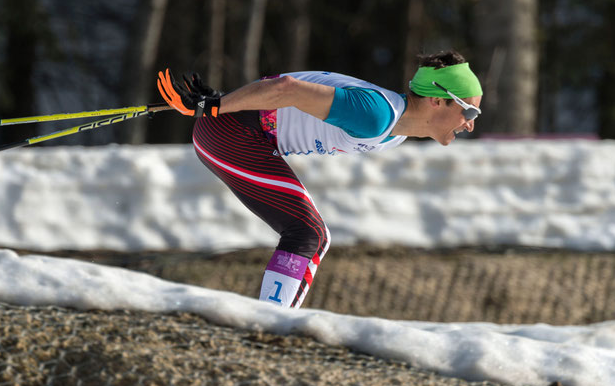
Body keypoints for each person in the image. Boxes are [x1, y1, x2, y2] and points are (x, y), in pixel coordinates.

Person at [156, 49, 483, 309]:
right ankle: (271, 326)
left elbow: (289, 91)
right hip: (232, 134)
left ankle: (270, 321)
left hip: (236, 131)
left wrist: (221, 103)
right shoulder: (377, 116)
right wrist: (216, 106)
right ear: (437, 100)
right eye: (469, 112)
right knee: (309, 234)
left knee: (307, 232)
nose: (470, 124)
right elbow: (286, 88)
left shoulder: (393, 131)